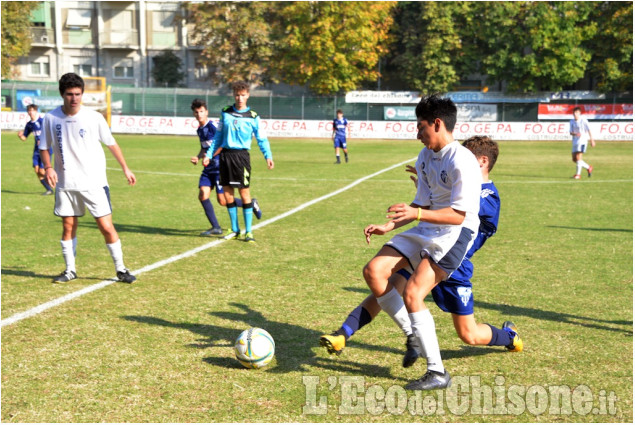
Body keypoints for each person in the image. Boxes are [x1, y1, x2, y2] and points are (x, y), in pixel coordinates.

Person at [320, 136, 522, 368]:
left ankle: (509, 336)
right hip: (431, 249)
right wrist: (430, 187)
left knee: (470, 335)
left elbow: (457, 213)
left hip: (455, 263)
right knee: (385, 283)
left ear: (482, 162)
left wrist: (434, 193)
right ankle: (343, 334)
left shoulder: (488, 196)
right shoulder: (457, 184)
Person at [360, 95, 482, 391]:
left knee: (414, 292)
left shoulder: (462, 159)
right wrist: (389, 225)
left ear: (437, 123)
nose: (417, 134)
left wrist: (416, 213)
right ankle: (411, 334)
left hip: (457, 232)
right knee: (374, 271)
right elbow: (421, 204)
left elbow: (457, 215)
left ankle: (437, 372)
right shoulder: (425, 156)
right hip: (428, 225)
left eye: (421, 127)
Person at [39, 72, 137, 284]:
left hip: (94, 183)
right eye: (69, 94)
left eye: (77, 94)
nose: (74, 98)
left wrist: (125, 168)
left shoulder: (94, 117)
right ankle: (69, 270)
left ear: (82, 94)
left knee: (106, 227)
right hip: (66, 184)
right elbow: (44, 147)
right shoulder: (50, 118)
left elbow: (111, 143)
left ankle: (121, 269)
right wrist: (48, 167)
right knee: (68, 226)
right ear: (61, 94)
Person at [203, 81, 273, 243]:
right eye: (237, 95)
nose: (240, 98)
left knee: (244, 193)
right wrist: (209, 154)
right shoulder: (225, 113)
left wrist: (267, 156)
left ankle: (248, 231)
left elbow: (262, 139)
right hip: (225, 156)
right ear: (233, 96)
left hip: (241, 157)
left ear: (248, 95)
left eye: (243, 95)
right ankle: (235, 230)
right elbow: (218, 137)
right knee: (228, 194)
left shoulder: (253, 117)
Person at [190, 99, 261, 236]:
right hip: (208, 168)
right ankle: (215, 227)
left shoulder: (213, 126)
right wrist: (198, 157)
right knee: (202, 195)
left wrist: (209, 156)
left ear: (207, 112)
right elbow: (204, 148)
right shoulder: (200, 130)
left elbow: (222, 143)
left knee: (223, 201)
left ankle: (250, 204)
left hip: (219, 167)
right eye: (196, 112)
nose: (199, 115)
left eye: (202, 112)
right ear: (193, 114)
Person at [17, 104, 54, 195]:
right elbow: (24, 138)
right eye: (29, 110)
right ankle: (49, 189)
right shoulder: (29, 124)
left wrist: (45, 140)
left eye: (32, 110)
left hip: (46, 149)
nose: (30, 112)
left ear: (36, 111)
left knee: (42, 171)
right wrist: (20, 136)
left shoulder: (42, 121)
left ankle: (53, 179)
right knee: (36, 170)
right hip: (36, 150)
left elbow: (51, 133)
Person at [569, 107, 595, 179]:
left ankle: (578, 175)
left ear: (580, 113)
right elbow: (570, 132)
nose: (575, 114)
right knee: (574, 159)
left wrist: (592, 140)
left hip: (582, 141)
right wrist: (575, 134)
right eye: (574, 112)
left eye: (577, 112)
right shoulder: (571, 121)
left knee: (578, 157)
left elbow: (589, 129)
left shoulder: (583, 120)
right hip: (575, 141)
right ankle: (588, 167)